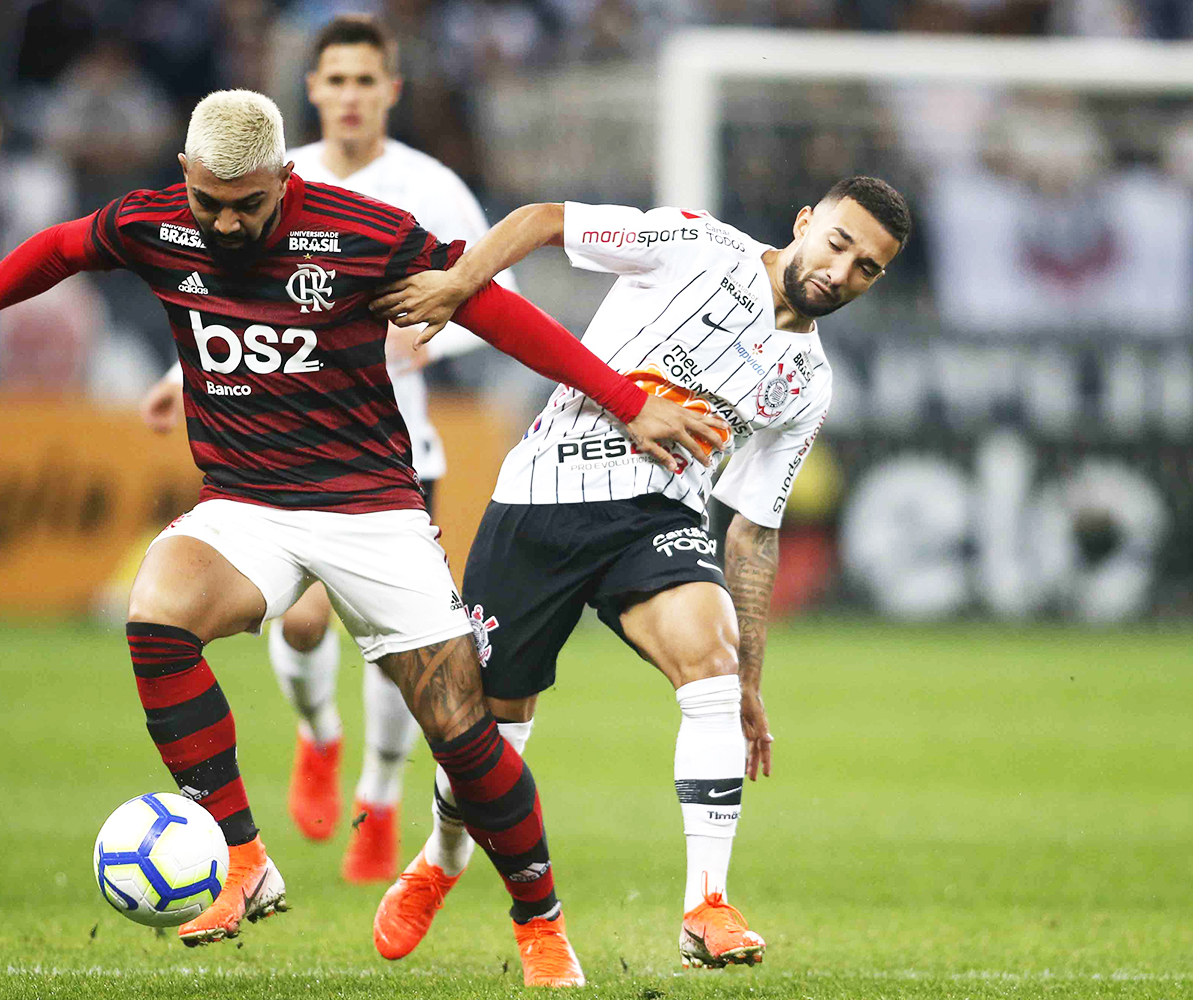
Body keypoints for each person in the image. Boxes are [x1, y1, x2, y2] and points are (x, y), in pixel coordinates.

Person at [0, 89, 728, 986]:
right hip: (245, 502)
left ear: (284, 178)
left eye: (247, 204)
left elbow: (490, 312)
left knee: (461, 730)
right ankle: (243, 857)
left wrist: (627, 401)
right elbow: (57, 249)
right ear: (185, 176)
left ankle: (540, 922)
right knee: (156, 613)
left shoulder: (361, 234)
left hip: (370, 511)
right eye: (208, 202)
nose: (224, 222)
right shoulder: (153, 224)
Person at [367, 176, 911, 970]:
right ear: (804, 222)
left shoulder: (808, 384)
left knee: (713, 674)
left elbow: (754, 532)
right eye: (837, 242)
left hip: (654, 523)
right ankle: (442, 859)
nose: (841, 271)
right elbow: (543, 220)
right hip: (541, 501)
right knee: (491, 735)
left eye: (867, 267)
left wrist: (752, 678)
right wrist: (460, 282)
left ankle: (707, 907)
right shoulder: (698, 245)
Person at [138, 14, 517, 885]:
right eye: (334, 80)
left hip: (391, 446)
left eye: (365, 81)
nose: (349, 95)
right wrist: (175, 368)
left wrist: (434, 338)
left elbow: (488, 297)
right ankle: (317, 737)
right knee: (301, 621)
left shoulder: (433, 187)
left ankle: (380, 799)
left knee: (398, 652)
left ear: (392, 90)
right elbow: (231, 291)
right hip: (282, 444)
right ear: (312, 89)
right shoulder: (271, 173)